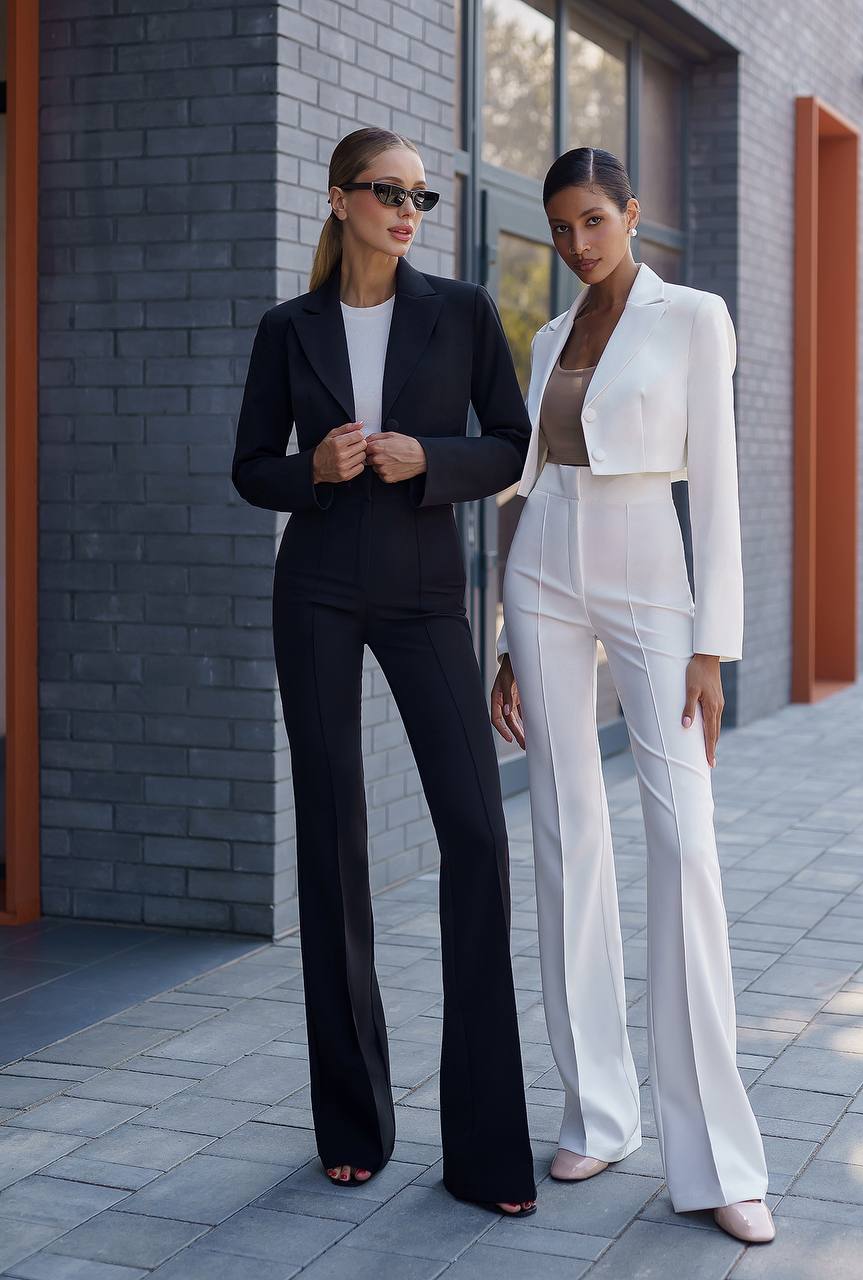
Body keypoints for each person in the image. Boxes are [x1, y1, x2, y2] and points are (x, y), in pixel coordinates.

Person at [232, 126, 536, 1217]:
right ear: (340, 200)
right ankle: (352, 1119)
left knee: (475, 830)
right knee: (333, 837)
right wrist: (310, 468)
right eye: (389, 192)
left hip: (420, 594)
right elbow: (248, 467)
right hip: (312, 587)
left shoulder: (462, 312)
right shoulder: (288, 328)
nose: (409, 210)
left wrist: (429, 461)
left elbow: (511, 441)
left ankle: (487, 1143)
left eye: (422, 196)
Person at [491, 146, 773, 1244]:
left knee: (684, 844)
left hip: (655, 581)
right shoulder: (549, 335)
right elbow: (537, 477)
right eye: (561, 227)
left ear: (634, 215)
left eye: (594, 221)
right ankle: (596, 1109)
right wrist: (509, 637)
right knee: (563, 832)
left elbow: (721, 480)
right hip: (546, 572)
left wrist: (715, 643)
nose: (576, 244)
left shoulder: (692, 316)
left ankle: (715, 1158)